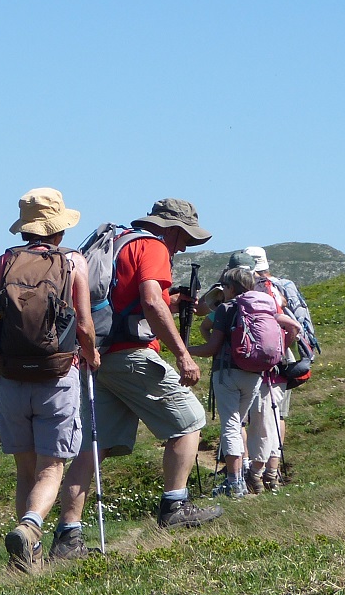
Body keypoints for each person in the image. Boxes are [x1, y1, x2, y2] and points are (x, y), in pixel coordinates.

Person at [56, 198, 222, 547]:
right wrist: (182, 355)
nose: (184, 246)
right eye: (185, 238)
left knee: (90, 449)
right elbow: (149, 300)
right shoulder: (153, 246)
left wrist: (170, 303)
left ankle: (68, 535)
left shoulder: (119, 243)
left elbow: (129, 300)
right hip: (132, 355)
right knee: (189, 421)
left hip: (99, 356)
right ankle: (175, 505)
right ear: (173, 229)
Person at [0, 188, 99, 570]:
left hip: (13, 378)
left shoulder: (4, 262)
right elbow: (83, 323)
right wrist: (92, 354)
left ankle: (26, 562)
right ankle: (31, 527)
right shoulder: (73, 262)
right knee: (52, 467)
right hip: (58, 373)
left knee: (25, 471)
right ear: (59, 229)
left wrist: (2, 358)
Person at [190, 267, 302, 497]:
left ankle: (235, 483)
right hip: (255, 373)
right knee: (240, 422)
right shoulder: (265, 305)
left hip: (227, 373)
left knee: (231, 425)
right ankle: (244, 477)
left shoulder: (226, 308)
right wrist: (281, 350)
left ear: (230, 288)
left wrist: (184, 350)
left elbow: (212, 347)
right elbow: (294, 326)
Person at [237, 245, 319, 489]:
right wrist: (285, 345)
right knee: (278, 414)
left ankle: (253, 470)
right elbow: (296, 323)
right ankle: (273, 470)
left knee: (255, 417)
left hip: (258, 359)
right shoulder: (285, 286)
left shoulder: (251, 290)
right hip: (285, 356)